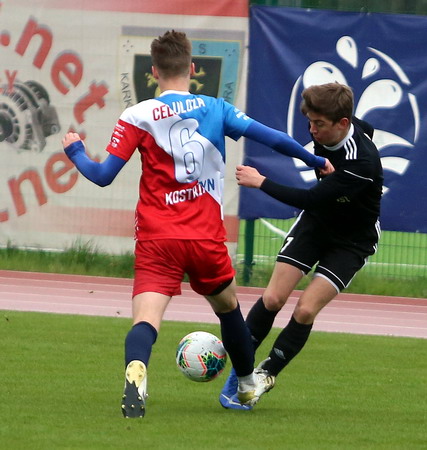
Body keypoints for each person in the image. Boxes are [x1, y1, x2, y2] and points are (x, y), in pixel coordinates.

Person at [61, 30, 333, 418]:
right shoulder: (216, 108)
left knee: (146, 319)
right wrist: (315, 161)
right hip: (205, 237)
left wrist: (75, 151)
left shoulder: (137, 115)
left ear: (153, 72)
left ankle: (137, 370)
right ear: (192, 68)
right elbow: (271, 138)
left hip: (158, 238)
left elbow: (103, 175)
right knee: (229, 309)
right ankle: (245, 385)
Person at [220, 82, 383, 410]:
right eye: (309, 122)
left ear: (343, 123)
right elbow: (367, 127)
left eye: (319, 124)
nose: (312, 131)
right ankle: (242, 370)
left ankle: (266, 374)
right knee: (273, 298)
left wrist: (260, 181)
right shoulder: (339, 128)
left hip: (352, 241)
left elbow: (309, 198)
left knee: (306, 309)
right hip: (316, 226)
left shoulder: (361, 164)